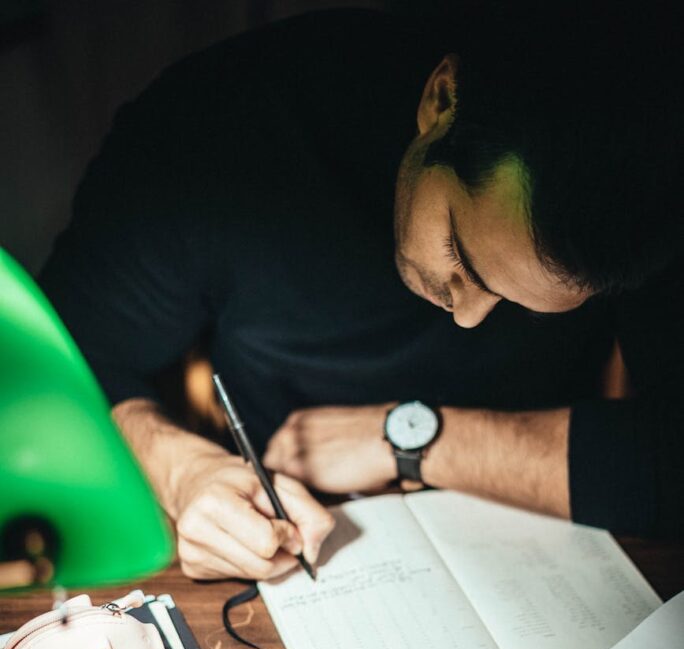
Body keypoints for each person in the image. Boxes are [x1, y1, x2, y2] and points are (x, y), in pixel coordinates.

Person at [39, 2, 683, 581]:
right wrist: (182, 471)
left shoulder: (658, 184)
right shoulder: (213, 135)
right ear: (442, 100)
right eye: (461, 256)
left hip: (537, 549)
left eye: (520, 303)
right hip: (289, 540)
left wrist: (412, 440)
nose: (467, 316)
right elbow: (54, 369)